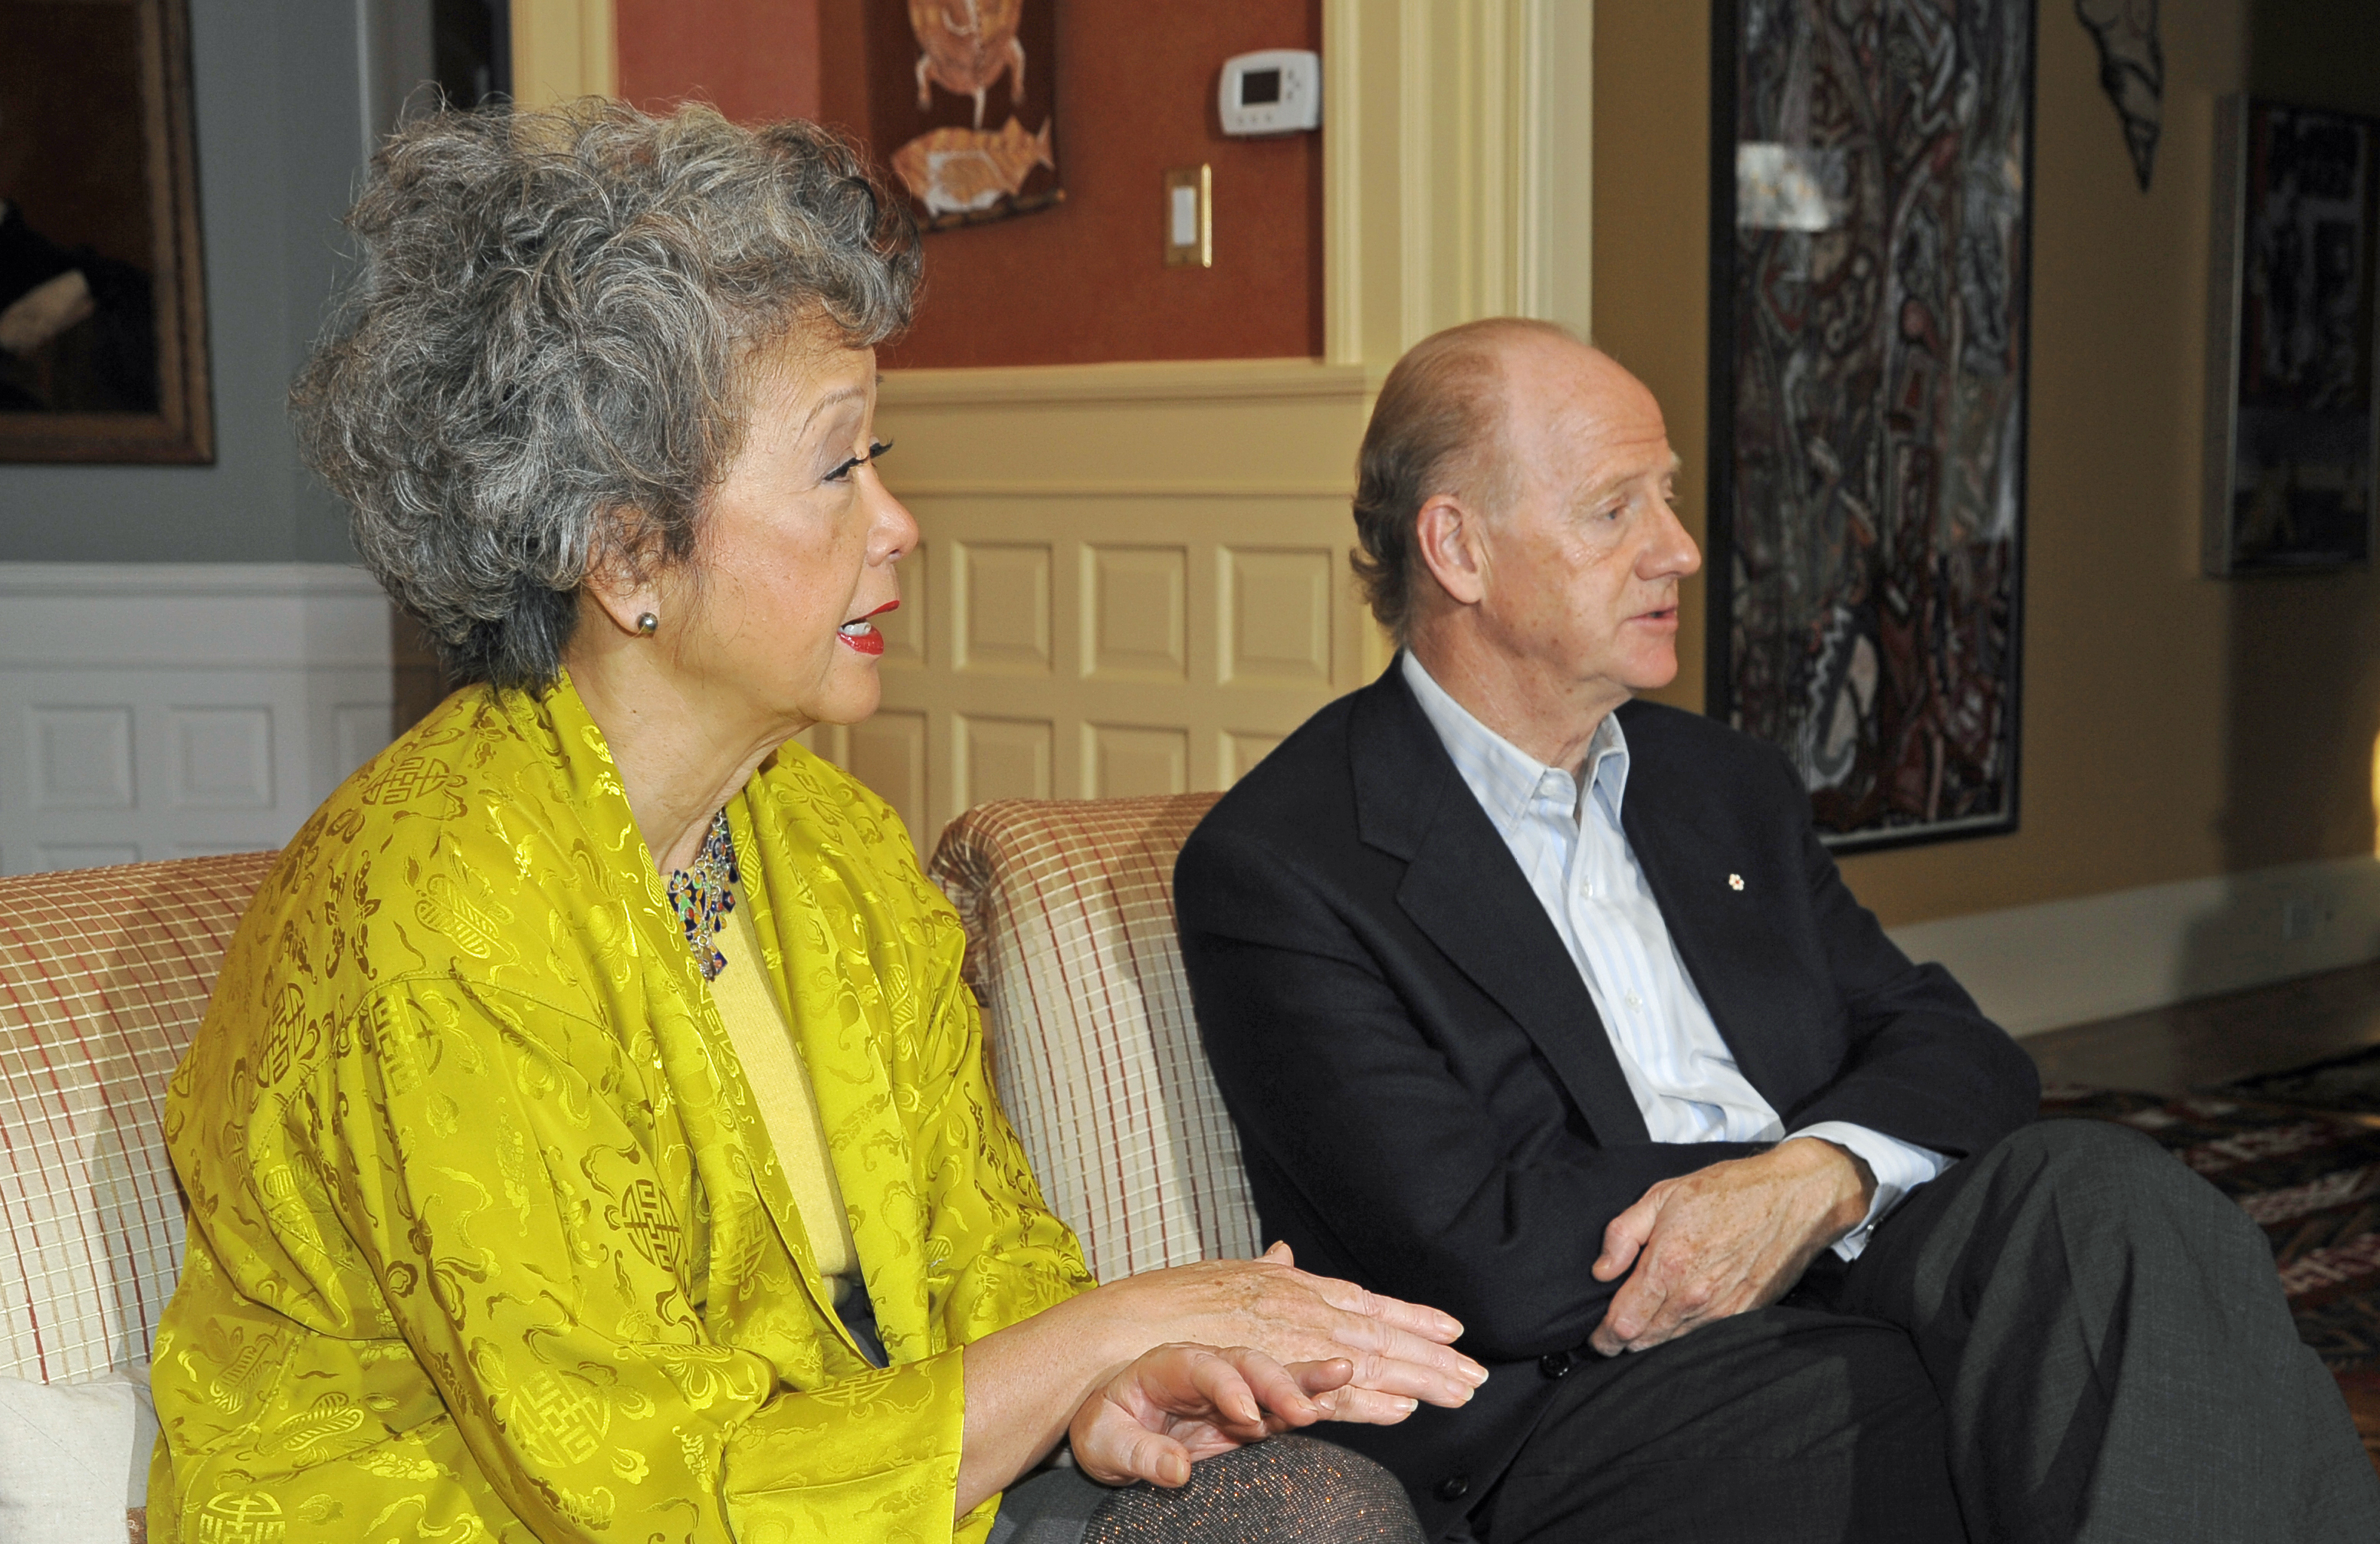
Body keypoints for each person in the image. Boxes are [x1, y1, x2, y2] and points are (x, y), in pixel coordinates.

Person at [148, 101, 1487, 1544]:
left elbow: (986, 1254)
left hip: (851, 1490)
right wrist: (1119, 1321)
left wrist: (1105, 1378)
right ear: (626, 552)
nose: (898, 522)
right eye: (838, 464)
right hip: (513, 1522)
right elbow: (645, 1490)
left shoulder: (826, 843)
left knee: (1306, 1506)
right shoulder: (441, 902)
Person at [1173, 317, 2380, 1543]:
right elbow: (1471, 1246)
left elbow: (1958, 1049)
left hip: (1852, 1258)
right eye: (1614, 511)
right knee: (2138, 1386)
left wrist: (1816, 1179)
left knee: (2118, 1203)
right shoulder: (1286, 865)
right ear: (1457, 549)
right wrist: (1757, 1187)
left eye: (1670, 500)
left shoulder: (1721, 786)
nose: (1680, 550)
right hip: (1581, 1395)